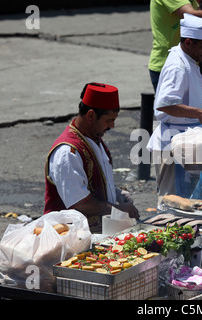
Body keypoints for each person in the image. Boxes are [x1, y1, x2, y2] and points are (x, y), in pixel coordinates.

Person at [44, 82, 139, 233]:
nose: (112, 126)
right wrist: (118, 209)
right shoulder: (68, 152)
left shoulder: (94, 139)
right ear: (91, 115)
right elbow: (80, 203)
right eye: (109, 120)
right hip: (71, 238)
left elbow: (93, 182)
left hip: (97, 234)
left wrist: (117, 193)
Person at [147, 14, 202, 204]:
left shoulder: (187, 60)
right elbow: (164, 104)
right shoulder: (178, 66)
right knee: (171, 202)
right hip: (171, 144)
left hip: (184, 140)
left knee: (185, 202)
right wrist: (200, 113)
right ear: (188, 42)